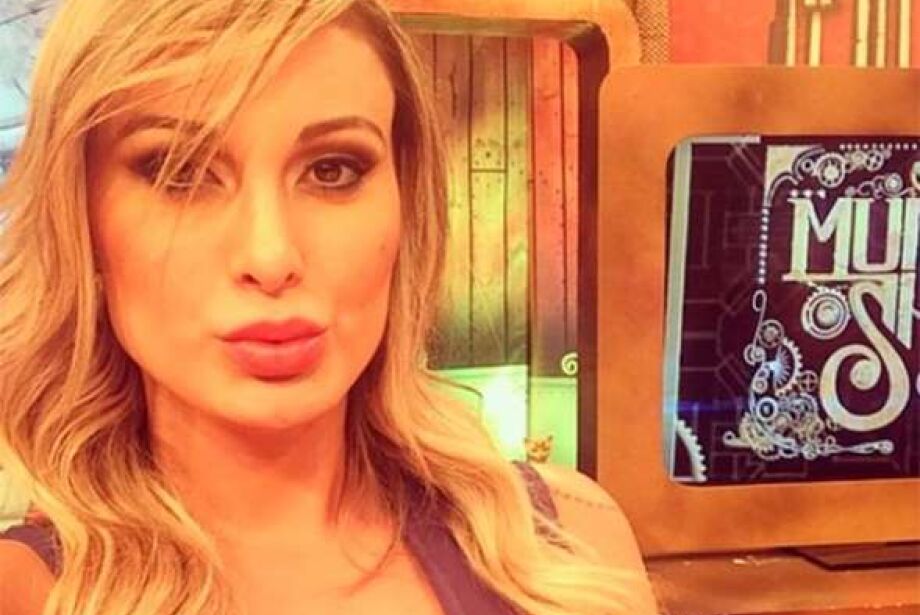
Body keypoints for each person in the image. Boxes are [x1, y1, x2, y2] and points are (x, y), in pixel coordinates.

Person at [0, 1, 659, 614]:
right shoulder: (28, 592)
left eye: (332, 169)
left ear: (406, 201)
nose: (271, 255)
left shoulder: (568, 544)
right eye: (181, 171)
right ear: (80, 218)